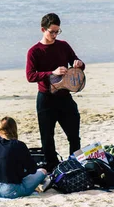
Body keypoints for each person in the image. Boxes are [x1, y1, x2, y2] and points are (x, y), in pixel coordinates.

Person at [26, 13, 85, 172]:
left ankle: (75, 164)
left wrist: (79, 64)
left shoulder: (63, 45)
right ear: (42, 29)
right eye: (51, 32)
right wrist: (51, 72)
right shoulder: (34, 51)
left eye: (57, 31)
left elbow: (77, 63)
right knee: (47, 138)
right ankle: (52, 168)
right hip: (46, 98)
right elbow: (30, 76)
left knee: (73, 134)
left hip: (65, 97)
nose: (54, 35)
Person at [0, 116, 50, 199]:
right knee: (43, 171)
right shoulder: (19, 145)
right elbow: (32, 169)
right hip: (10, 190)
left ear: (0, 130)